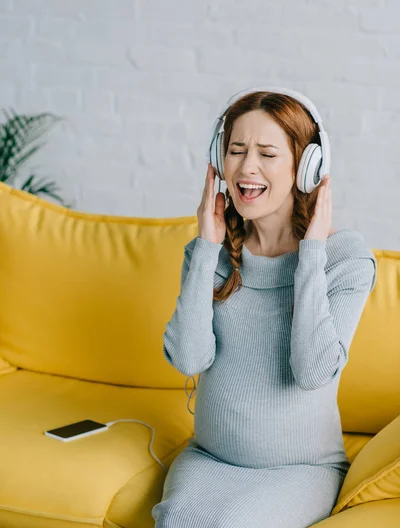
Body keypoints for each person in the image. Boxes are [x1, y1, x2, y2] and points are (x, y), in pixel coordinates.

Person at [152, 90, 377, 528]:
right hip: (209, 460)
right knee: (178, 519)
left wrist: (311, 253)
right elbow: (188, 359)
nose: (246, 168)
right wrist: (206, 247)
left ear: (307, 167)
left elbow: (312, 372)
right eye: (236, 151)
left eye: (267, 153)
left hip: (301, 471)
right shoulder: (208, 255)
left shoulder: (344, 258)